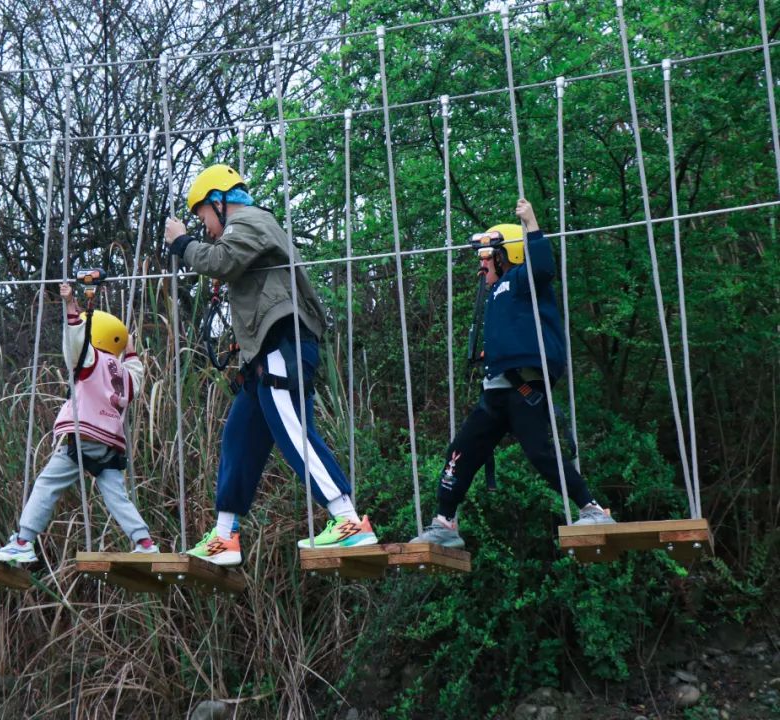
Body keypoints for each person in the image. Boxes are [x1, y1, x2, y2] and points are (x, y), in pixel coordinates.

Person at [163, 164, 377, 566]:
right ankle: (225, 536)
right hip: (268, 354)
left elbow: (220, 259)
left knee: (295, 434)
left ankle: (348, 521)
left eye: (203, 216)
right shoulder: (245, 228)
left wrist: (182, 243)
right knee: (239, 438)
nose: (205, 226)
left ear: (220, 203)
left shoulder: (252, 221)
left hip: (283, 346)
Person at [412, 198, 615, 549]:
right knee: (460, 451)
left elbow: (543, 268)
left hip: (523, 386)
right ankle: (445, 521)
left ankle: (592, 508)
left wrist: (531, 224)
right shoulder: (493, 294)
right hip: (495, 390)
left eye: (489, 257)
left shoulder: (522, 280)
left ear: (510, 256)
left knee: (539, 451)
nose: (483, 265)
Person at [0, 282, 158, 563]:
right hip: (111, 444)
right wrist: (129, 350)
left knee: (47, 484)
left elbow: (75, 343)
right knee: (117, 496)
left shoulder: (90, 359)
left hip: (84, 436)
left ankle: (23, 541)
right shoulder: (122, 373)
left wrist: (71, 307)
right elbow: (136, 374)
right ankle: (144, 541)